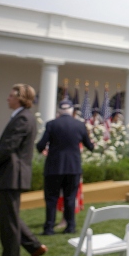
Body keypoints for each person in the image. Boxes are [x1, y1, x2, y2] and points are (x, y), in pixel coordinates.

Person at [0, 84, 47, 256]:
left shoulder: (23, 118)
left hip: (13, 175)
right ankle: (34, 247)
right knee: (7, 216)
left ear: (20, 98)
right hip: (11, 175)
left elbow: (8, 147)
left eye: (11, 95)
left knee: (8, 221)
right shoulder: (21, 117)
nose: (7, 98)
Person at [36, 99, 94, 235]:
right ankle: (70, 226)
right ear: (72, 110)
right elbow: (89, 146)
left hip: (54, 167)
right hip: (73, 168)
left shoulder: (51, 124)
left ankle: (49, 227)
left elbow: (40, 145)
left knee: (51, 199)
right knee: (70, 198)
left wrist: (44, 150)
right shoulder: (79, 125)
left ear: (60, 111)